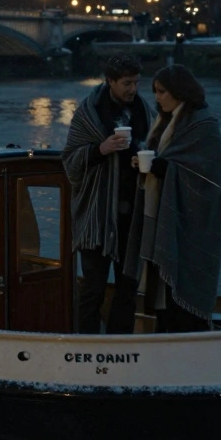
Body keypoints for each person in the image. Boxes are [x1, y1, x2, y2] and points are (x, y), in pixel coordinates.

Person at [124, 64, 221, 333]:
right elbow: (166, 159)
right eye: (155, 92)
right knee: (165, 289)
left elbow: (208, 179)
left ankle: (186, 337)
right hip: (164, 214)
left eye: (161, 92)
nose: (156, 98)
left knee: (183, 282)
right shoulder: (166, 122)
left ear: (179, 92)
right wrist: (144, 163)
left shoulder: (203, 124)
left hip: (191, 222)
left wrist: (162, 168)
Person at [63, 54, 152, 334]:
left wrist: (144, 157)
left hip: (131, 215)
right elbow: (70, 162)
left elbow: (155, 145)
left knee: (128, 287)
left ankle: (119, 346)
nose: (132, 89)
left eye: (136, 83)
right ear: (110, 81)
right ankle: (86, 346)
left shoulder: (144, 112)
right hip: (96, 218)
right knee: (93, 289)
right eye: (126, 83)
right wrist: (101, 149)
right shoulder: (88, 113)